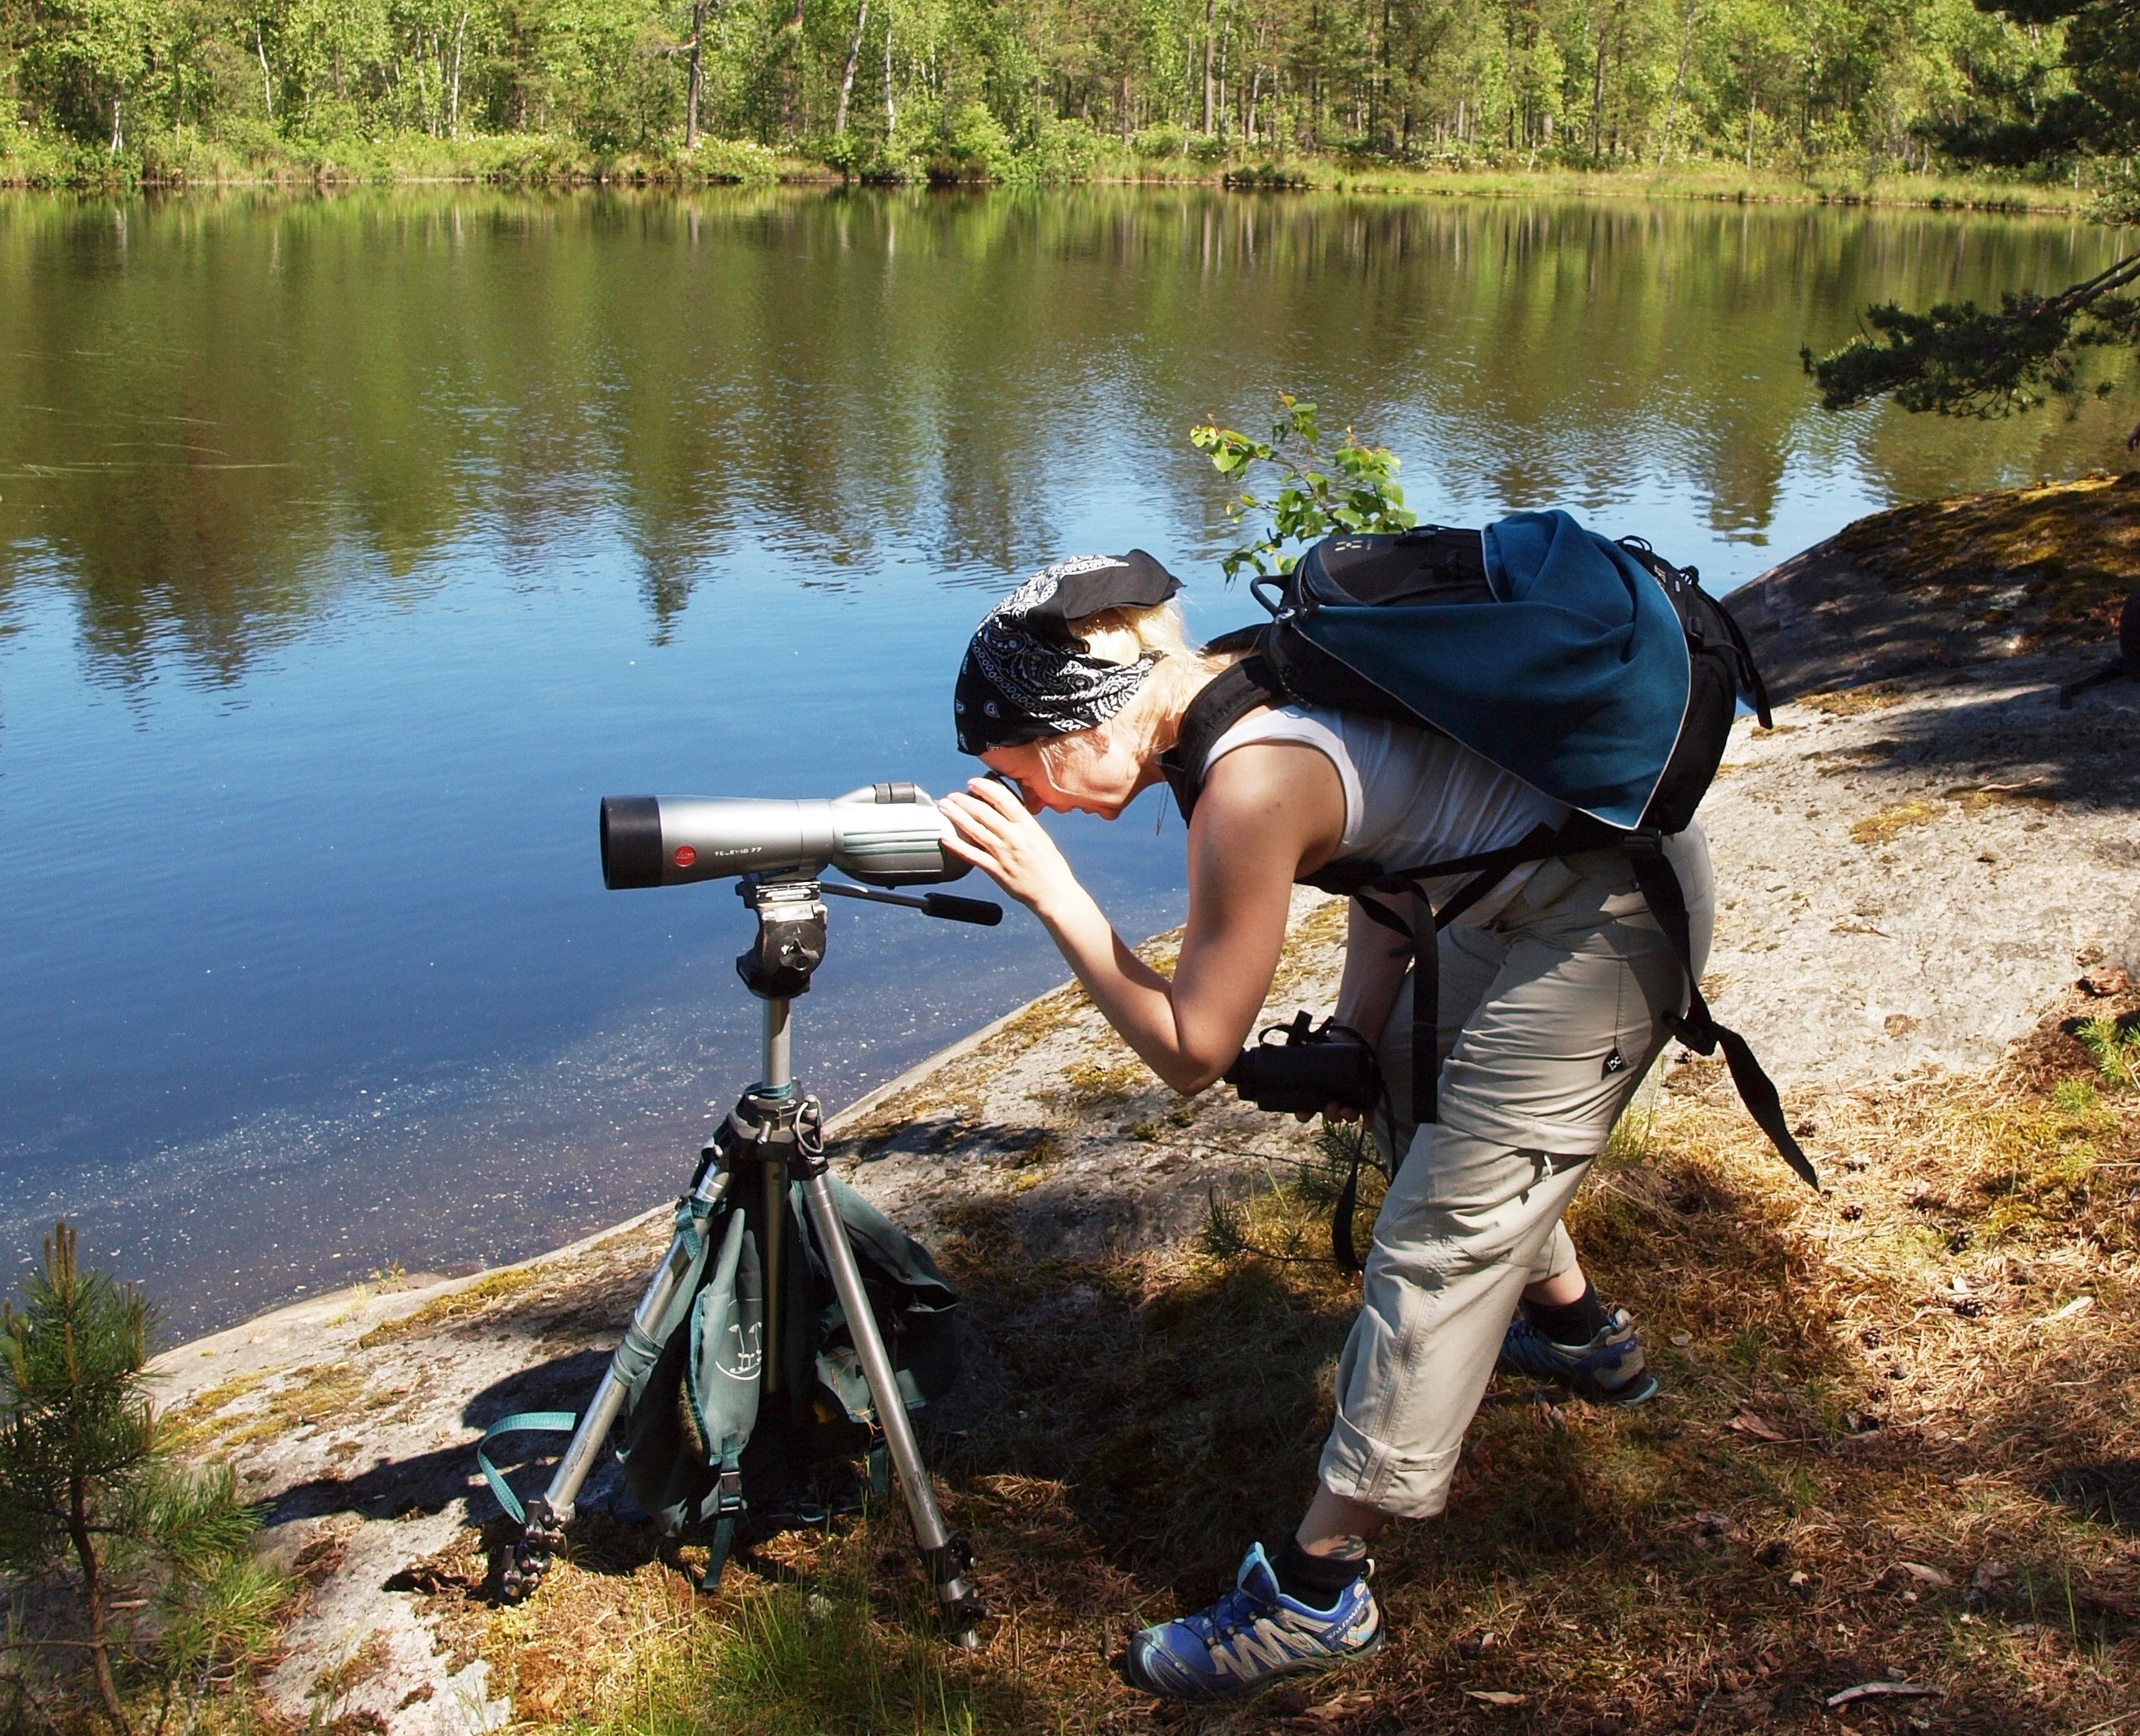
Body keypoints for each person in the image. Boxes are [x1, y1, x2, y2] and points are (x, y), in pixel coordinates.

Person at [937, 549, 1712, 1703]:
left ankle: (1316, 1590)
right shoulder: (1246, 682)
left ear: (1081, 725)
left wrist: (1058, 899)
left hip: (1605, 921)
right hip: (1535, 877)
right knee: (1407, 1076)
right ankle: (1575, 1334)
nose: (1035, 802)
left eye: (1023, 774)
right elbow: (1394, 864)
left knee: (1442, 1239)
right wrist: (1357, 1030)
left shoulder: (1245, 786)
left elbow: (1193, 1050)